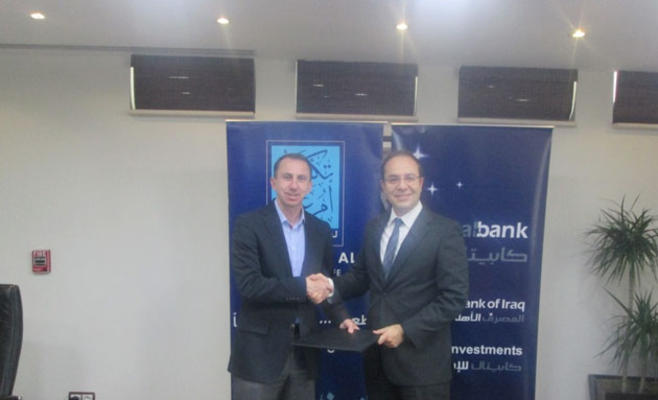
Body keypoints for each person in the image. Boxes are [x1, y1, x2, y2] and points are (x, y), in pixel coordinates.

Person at [310, 150, 469, 400]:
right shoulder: (374, 228)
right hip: (377, 359)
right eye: (393, 179)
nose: (402, 185)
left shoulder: (445, 231)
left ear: (421, 182)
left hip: (423, 367)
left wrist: (405, 330)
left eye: (409, 178)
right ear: (383, 186)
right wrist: (329, 285)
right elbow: (360, 277)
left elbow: (454, 298)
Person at [228, 153, 358, 400]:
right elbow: (249, 285)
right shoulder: (249, 225)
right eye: (287, 177)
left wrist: (341, 317)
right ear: (273, 182)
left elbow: (322, 281)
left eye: (301, 178)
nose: (294, 185)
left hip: (305, 351)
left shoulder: (320, 230)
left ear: (309, 186)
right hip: (259, 354)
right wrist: (302, 287)